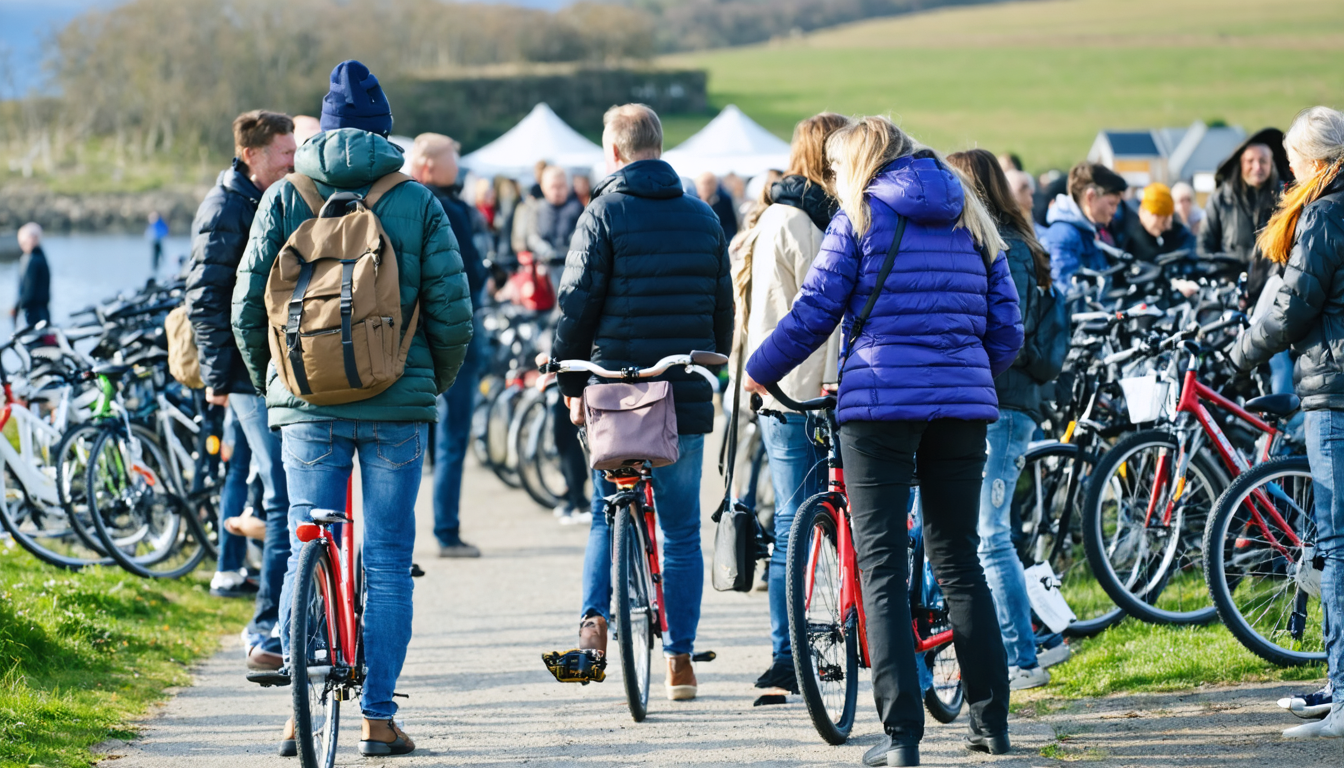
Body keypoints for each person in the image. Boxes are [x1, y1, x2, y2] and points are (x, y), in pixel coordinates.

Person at [744, 117, 1022, 767]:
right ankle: (993, 723)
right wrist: (967, 371)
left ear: (860, 163)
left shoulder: (862, 217)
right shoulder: (970, 215)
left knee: (881, 568)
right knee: (959, 559)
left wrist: (759, 370)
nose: (835, 179)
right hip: (961, 410)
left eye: (838, 168)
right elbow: (1007, 325)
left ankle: (902, 738)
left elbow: (815, 310)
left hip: (878, 407)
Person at [233, 59, 473, 756]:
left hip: (305, 404)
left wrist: (278, 382)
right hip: (397, 404)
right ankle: (376, 718)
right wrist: (430, 385)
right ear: (384, 130)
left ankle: (295, 714)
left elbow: (248, 307)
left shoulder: (285, 195)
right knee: (390, 561)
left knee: (306, 539)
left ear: (324, 129)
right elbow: (454, 316)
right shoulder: (416, 199)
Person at [551, 103, 732, 701]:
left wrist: (572, 387)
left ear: (614, 152)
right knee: (681, 531)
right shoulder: (704, 217)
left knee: (609, 511)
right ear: (660, 145)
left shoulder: (600, 213)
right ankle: (680, 661)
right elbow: (722, 311)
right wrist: (711, 362)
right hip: (681, 390)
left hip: (618, 391)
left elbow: (576, 305)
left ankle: (591, 625)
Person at [1229, 105, 1344, 739]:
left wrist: (1243, 352)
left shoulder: (1325, 211)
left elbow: (1295, 304)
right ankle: (1337, 679)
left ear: (1317, 161)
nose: (1289, 173)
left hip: (1333, 387)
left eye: (1295, 162)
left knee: (1335, 542)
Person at [733, 112, 851, 702]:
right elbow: (823, 305)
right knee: (797, 524)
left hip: (788, 387)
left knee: (799, 522)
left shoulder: (785, 213)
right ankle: (789, 654)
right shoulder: (801, 221)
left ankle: (796, 650)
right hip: (801, 391)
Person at [947, 148, 1069, 693]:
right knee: (987, 534)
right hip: (1005, 404)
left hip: (1005, 405)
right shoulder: (1013, 242)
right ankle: (1018, 649)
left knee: (991, 536)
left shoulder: (1007, 248)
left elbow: (1007, 330)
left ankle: (1024, 658)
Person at [184, 109, 296, 669]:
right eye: (285, 153)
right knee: (279, 493)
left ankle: (279, 619)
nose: (292, 161)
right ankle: (266, 629)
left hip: (268, 369)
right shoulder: (225, 206)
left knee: (273, 489)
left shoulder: (258, 199)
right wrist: (217, 378)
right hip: (246, 376)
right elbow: (203, 297)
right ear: (253, 153)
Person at [407, 133, 488, 559]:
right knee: (452, 440)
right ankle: (447, 531)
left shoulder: (405, 204)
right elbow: (467, 277)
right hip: (453, 340)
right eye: (451, 159)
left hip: (416, 342)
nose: (457, 166)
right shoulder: (445, 209)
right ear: (428, 165)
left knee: (417, 443)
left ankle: (436, 530)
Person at [1202, 129, 1290, 303]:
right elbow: (1204, 247)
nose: (1257, 167)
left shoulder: (1286, 200)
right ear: (1240, 163)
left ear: (1272, 164)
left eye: (1263, 161)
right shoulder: (1220, 200)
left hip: (1271, 295)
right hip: (1228, 294)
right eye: (1250, 161)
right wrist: (1220, 284)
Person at [1040, 162, 1127, 294]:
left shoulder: (1084, 230)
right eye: (1112, 203)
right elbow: (1065, 294)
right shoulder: (1063, 236)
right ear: (1090, 197)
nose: (1114, 211)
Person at [1123, 182, 1197, 263]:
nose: (1164, 226)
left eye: (1167, 218)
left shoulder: (1180, 233)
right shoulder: (1131, 237)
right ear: (1143, 212)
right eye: (1159, 217)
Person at [529, 166, 584, 267]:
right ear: (543, 187)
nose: (557, 191)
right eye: (553, 187)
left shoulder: (577, 208)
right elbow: (532, 237)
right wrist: (546, 251)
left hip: (570, 265)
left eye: (561, 186)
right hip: (544, 266)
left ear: (567, 186)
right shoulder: (538, 209)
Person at [13, 222, 49, 327]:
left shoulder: (31, 260)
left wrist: (17, 308)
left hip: (33, 314)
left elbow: (28, 291)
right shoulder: (42, 256)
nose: (22, 246)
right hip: (43, 312)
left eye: (23, 243)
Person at [696, 170, 740, 241]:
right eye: (704, 184)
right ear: (697, 186)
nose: (707, 187)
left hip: (719, 241)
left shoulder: (724, 200)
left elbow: (730, 224)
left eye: (710, 183)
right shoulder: (692, 202)